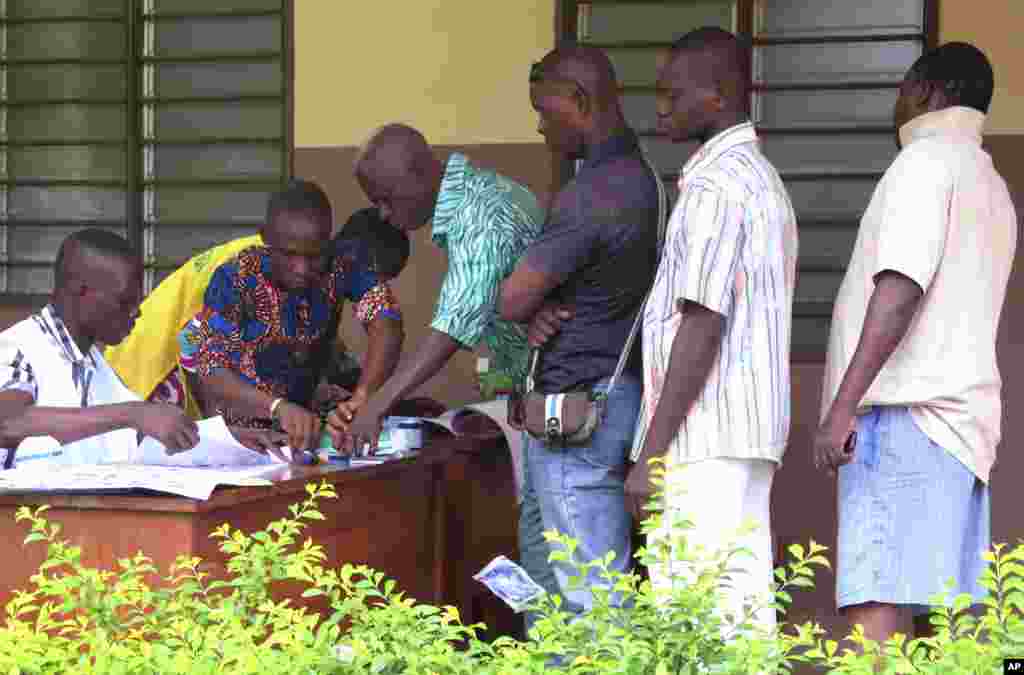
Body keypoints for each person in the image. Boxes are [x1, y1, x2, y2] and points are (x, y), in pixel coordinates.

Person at [815, 42, 1016, 645]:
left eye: (902, 88)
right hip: (959, 429)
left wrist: (844, 405)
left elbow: (900, 286)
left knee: (875, 596)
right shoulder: (990, 181)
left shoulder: (923, 163)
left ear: (925, 91)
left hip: (905, 420)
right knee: (939, 617)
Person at [326, 123, 556, 622]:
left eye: (385, 199)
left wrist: (378, 406)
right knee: (542, 558)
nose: (384, 214)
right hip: (528, 402)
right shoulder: (477, 197)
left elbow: (453, 325)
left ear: (418, 175)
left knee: (554, 563)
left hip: (556, 404)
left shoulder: (482, 214)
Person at [624, 27, 798, 635]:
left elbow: (702, 323)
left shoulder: (715, 188)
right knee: (741, 619)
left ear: (719, 94)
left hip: (704, 439)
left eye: (674, 94)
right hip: (745, 436)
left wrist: (651, 453)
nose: (661, 107)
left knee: (695, 621)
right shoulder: (761, 179)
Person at [498, 44, 660, 618]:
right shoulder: (643, 180)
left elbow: (513, 296)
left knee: (591, 592)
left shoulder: (595, 193)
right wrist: (546, 299)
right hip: (598, 401)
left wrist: (532, 301)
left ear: (580, 101)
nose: (541, 127)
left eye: (546, 111)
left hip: (580, 417)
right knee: (547, 576)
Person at [191, 179, 404, 452]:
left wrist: (364, 396)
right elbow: (211, 368)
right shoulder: (236, 278)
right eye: (289, 254)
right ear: (266, 237)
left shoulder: (340, 267)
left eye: (314, 255)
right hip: (243, 438)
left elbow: (386, 320)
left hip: (305, 433)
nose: (302, 268)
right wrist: (276, 407)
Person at [0, 229, 200, 469]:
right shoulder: (19, 348)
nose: (137, 312)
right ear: (80, 290)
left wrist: (228, 439)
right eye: (124, 301)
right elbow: (6, 422)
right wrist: (132, 414)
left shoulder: (98, 369)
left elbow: (143, 434)